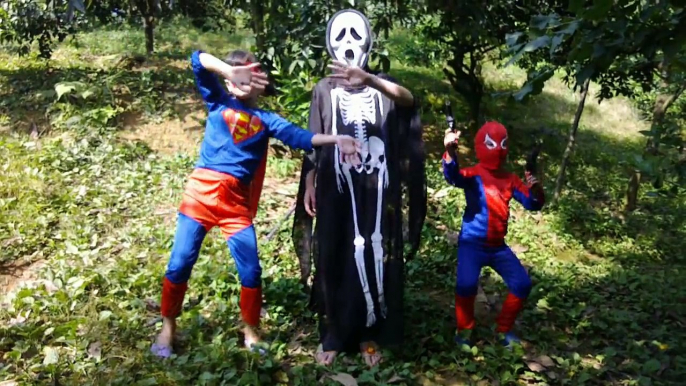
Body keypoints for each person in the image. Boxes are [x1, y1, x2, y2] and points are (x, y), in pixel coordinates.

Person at [150, 49, 361, 359]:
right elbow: (197, 60)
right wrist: (226, 71)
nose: (245, 81)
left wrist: (337, 139)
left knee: (251, 271)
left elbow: (303, 138)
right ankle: (167, 328)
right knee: (179, 263)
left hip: (235, 205)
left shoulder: (267, 120)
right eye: (240, 75)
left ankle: (250, 330)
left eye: (251, 75)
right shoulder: (218, 101)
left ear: (262, 83)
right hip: (199, 197)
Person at [291, 9, 427, 367]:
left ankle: (371, 333)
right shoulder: (323, 89)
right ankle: (334, 333)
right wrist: (309, 182)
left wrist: (370, 80)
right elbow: (312, 141)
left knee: (375, 254)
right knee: (334, 250)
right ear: (329, 44)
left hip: (376, 187)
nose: (349, 43)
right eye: (341, 36)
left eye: (356, 34)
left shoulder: (382, 86)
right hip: (337, 187)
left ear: (368, 40)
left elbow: (409, 100)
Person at [442, 122, 544, 347]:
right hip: (472, 244)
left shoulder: (510, 179)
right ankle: (464, 330)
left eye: (502, 144)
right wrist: (450, 151)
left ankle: (504, 329)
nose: (498, 149)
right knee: (466, 285)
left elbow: (532, 203)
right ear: (481, 145)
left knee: (522, 284)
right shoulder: (474, 174)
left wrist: (536, 189)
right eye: (491, 144)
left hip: (497, 246)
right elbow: (453, 177)